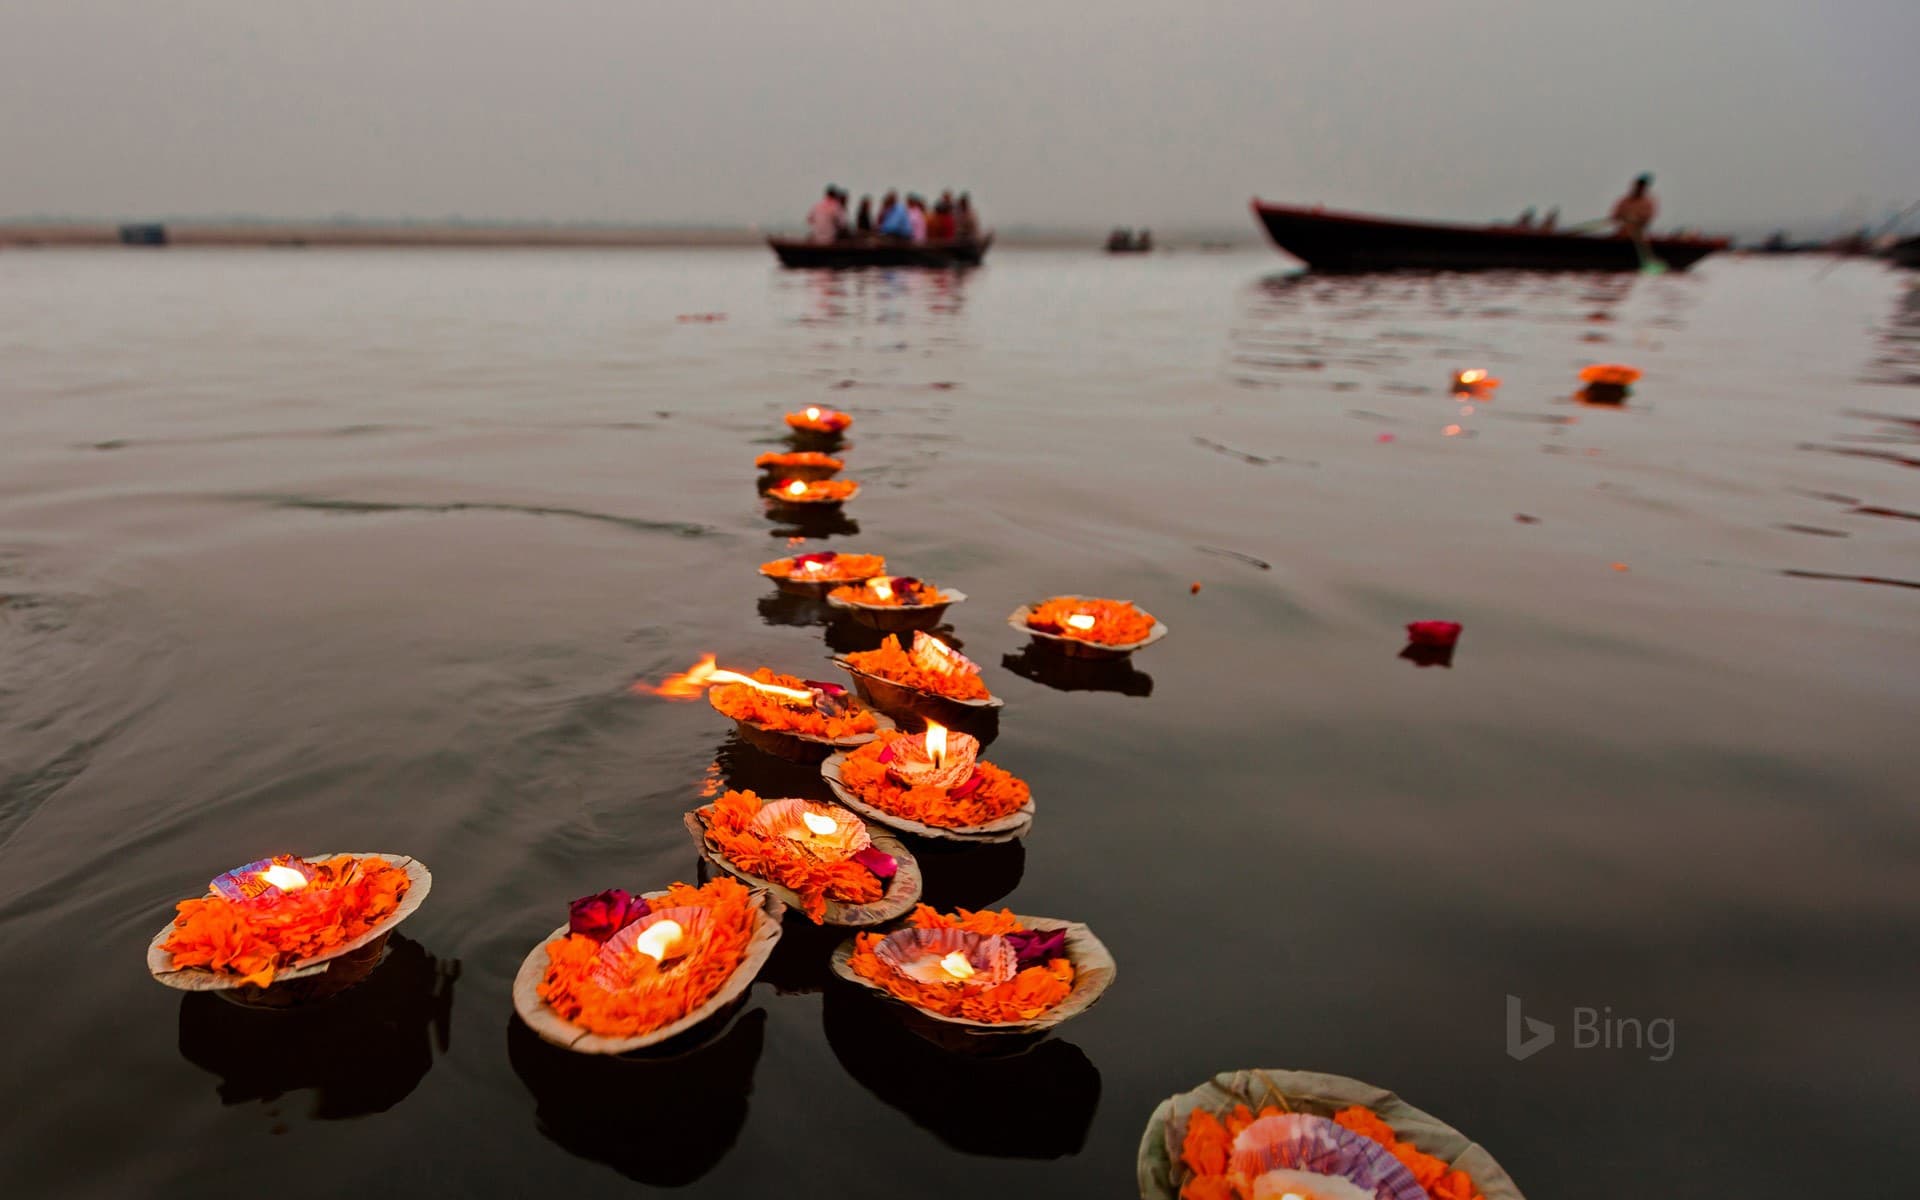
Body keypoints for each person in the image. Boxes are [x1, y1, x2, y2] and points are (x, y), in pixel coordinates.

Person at [1610, 174, 1658, 241]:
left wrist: (1635, 219)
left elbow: (1647, 218)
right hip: (1621, 235)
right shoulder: (1624, 201)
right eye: (1639, 185)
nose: (1640, 188)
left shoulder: (1648, 202)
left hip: (1638, 236)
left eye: (1642, 186)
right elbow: (1614, 216)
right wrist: (1623, 218)